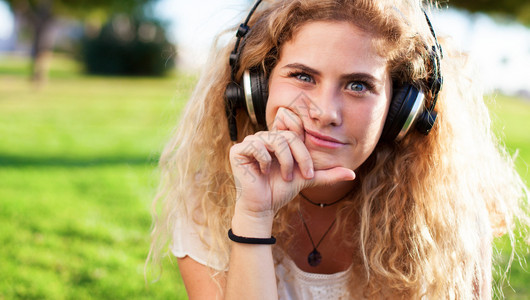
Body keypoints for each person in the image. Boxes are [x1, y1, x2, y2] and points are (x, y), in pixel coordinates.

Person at [146, 0, 529, 298]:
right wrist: (253, 215)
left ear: (401, 110)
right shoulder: (207, 204)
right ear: (256, 88)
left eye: (358, 85)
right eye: (302, 76)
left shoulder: (447, 217)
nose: (326, 112)